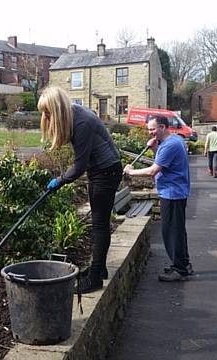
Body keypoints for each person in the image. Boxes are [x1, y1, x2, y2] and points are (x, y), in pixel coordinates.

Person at [38, 86, 122, 293]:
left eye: (47, 113)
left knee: (100, 224)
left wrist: (59, 181)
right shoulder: (73, 113)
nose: (46, 117)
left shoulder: (82, 121)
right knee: (98, 223)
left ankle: (95, 278)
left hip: (106, 172)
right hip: (101, 171)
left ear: (57, 109)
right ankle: (99, 269)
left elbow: (79, 165)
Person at [124, 115, 193, 281]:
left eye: (153, 129)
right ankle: (183, 264)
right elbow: (163, 163)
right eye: (149, 129)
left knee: (171, 232)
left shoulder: (170, 145)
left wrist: (131, 172)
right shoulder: (174, 140)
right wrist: (155, 148)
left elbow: (153, 170)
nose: (150, 132)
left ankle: (180, 270)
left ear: (162, 127)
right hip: (174, 192)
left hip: (172, 193)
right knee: (177, 231)